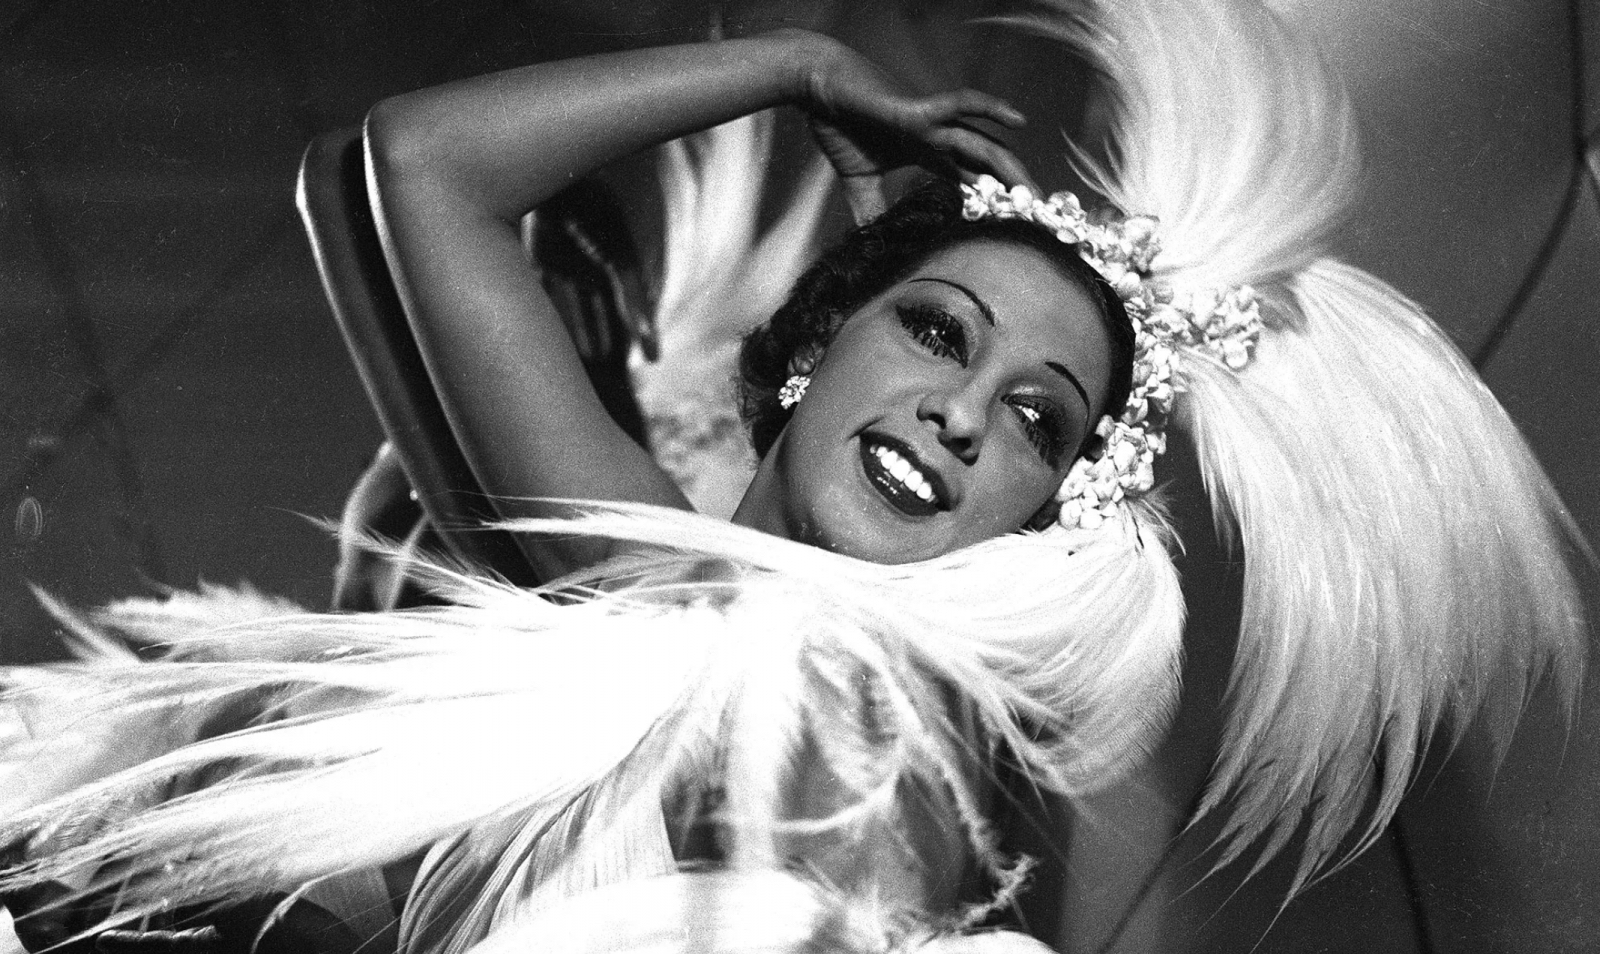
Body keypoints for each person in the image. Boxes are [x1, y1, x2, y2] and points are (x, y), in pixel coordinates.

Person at [0, 1, 1587, 952]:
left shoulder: (886, 740)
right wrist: (800, 68)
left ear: (1044, 519)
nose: (960, 413)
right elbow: (405, 169)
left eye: (1037, 421)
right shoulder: (653, 574)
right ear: (819, 345)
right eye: (937, 331)